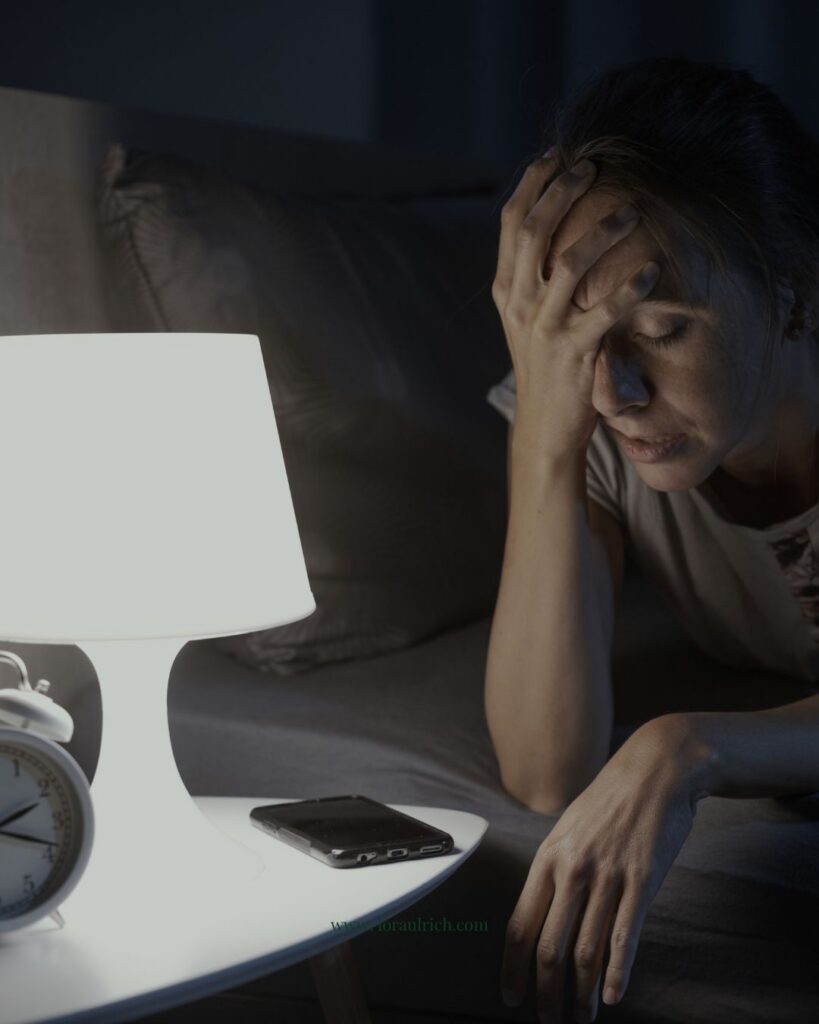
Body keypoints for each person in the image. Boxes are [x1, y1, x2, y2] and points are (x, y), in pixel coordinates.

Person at [483, 56, 819, 1024]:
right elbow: (546, 764)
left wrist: (689, 745)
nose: (617, 394)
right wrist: (544, 437)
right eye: (581, 341)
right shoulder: (580, 410)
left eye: (663, 327)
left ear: (795, 294)